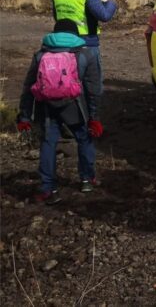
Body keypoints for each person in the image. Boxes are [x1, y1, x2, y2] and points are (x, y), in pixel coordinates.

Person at [17, 20, 103, 204]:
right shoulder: (85, 54)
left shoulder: (41, 55)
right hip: (76, 107)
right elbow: (93, 89)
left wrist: (24, 115)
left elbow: (28, 87)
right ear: (76, 34)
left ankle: (48, 188)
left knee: (48, 144)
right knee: (84, 139)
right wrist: (94, 117)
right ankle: (87, 179)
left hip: (47, 106)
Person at [53, 0, 117, 94]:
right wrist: (112, 3)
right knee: (92, 87)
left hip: (62, 44)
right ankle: (92, 115)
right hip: (87, 44)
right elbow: (104, 15)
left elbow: (56, 16)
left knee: (67, 84)